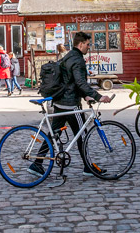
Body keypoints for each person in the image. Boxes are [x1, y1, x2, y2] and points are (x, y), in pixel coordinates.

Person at [29, 32, 111, 177]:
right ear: (80, 44)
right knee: (82, 135)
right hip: (71, 104)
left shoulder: (69, 56)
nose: (88, 47)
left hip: (61, 101)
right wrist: (98, 96)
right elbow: (80, 82)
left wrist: (84, 95)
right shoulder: (77, 60)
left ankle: (37, 163)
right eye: (87, 44)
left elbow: (70, 81)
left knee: (54, 133)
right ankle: (88, 167)